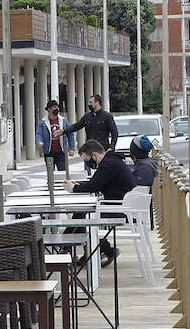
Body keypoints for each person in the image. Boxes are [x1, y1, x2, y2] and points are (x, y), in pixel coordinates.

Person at [66, 138, 135, 266]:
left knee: (83, 217)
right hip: (120, 205)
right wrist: (78, 185)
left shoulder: (108, 165)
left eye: (87, 160)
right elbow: (96, 182)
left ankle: (64, 248)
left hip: (120, 209)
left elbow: (94, 186)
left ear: (94, 155)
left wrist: (73, 188)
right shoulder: (110, 161)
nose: (88, 163)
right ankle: (101, 251)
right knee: (81, 215)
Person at [62, 94, 119, 174]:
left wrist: (111, 147)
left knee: (104, 172)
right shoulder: (87, 117)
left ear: (97, 103)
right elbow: (76, 126)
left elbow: (114, 133)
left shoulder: (107, 116)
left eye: (91, 102)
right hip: (89, 150)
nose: (89, 104)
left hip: (102, 150)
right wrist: (63, 131)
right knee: (87, 173)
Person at [36, 99, 77, 174]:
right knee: (50, 173)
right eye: (54, 107)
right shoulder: (43, 122)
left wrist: (72, 148)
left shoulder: (63, 121)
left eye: (57, 107)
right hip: (49, 152)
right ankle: (51, 185)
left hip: (61, 151)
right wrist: (39, 141)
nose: (56, 109)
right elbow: (39, 133)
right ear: (49, 109)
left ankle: (62, 185)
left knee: (63, 172)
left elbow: (70, 134)